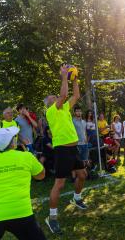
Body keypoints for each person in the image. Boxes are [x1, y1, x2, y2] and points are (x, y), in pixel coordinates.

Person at [44, 64, 87, 234]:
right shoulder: (51, 112)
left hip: (73, 148)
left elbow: (75, 95)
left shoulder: (65, 109)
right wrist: (64, 76)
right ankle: (52, 218)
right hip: (62, 150)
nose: (55, 97)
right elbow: (64, 94)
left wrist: (75, 78)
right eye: (52, 97)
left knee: (82, 175)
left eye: (55, 96)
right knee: (59, 184)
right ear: (48, 103)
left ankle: (76, 198)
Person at [0, 126, 46, 240]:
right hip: (21, 212)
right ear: (12, 142)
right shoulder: (26, 156)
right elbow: (41, 175)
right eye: (14, 137)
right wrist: (32, 155)